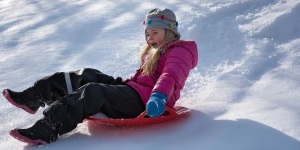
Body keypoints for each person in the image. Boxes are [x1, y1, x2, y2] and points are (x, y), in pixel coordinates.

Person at [2, 8, 198, 145]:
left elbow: (170, 76)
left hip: (147, 102)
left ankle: (47, 128)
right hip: (134, 91)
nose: (149, 38)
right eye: (147, 33)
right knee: (87, 75)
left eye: (154, 32)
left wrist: (159, 97)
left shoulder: (180, 51)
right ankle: (33, 97)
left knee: (92, 91)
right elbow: (143, 78)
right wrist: (125, 83)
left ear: (170, 31)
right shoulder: (156, 50)